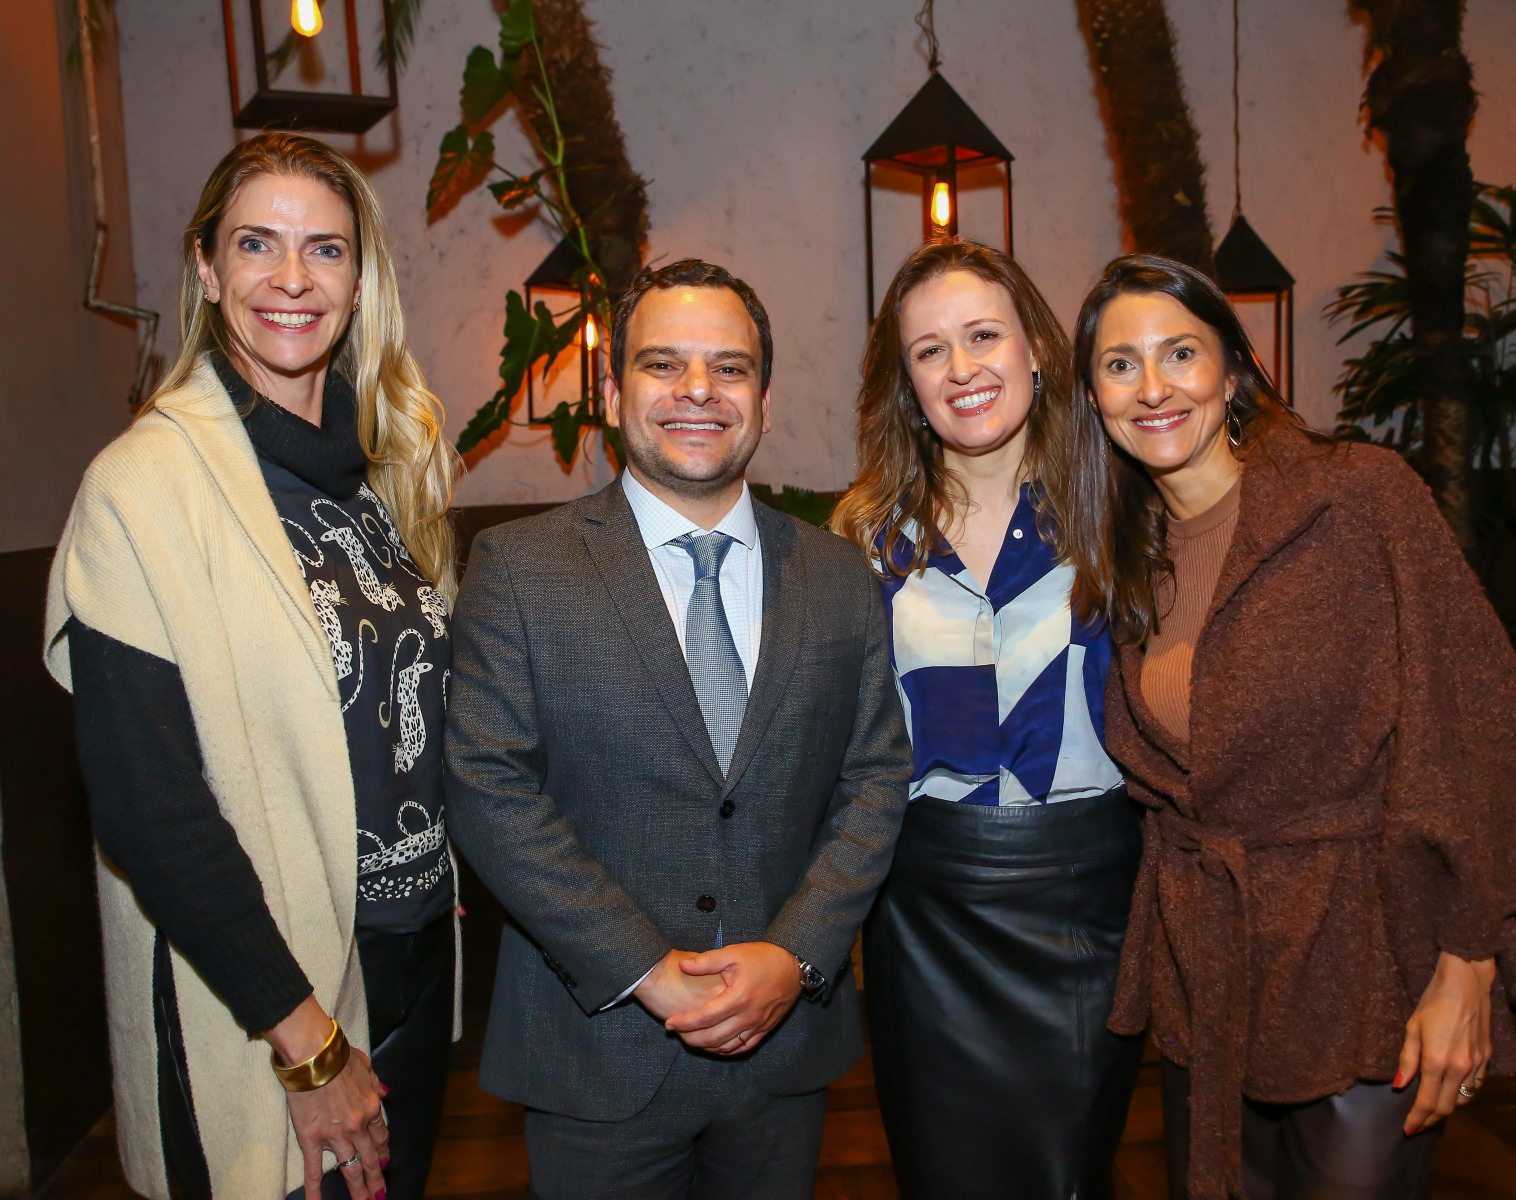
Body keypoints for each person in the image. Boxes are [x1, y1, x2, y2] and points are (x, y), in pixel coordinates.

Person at [1072, 254, 1516, 1200]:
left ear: (1233, 369)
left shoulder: (1357, 497)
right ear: (1093, 397)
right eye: (1121, 364)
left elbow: (1474, 730)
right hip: (1214, 979)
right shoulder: (1125, 563)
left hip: (1367, 965)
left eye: (1180, 353)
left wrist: (1469, 963)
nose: (1152, 387)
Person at [43, 133, 463, 1200]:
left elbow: (398, 709)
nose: (292, 278)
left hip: (408, 955)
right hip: (276, 1001)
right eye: (255, 244)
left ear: (359, 281)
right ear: (205, 267)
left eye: (325, 249)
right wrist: (307, 1045)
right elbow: (149, 808)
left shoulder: (388, 466)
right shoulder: (143, 489)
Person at [444, 258, 911, 1199]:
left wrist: (796, 954)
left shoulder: (838, 577)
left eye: (729, 368)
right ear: (614, 392)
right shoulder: (519, 569)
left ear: (764, 402)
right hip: (598, 1049)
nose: (698, 389)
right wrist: (644, 969)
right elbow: (489, 789)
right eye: (663, 364)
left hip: (783, 1053)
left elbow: (875, 778)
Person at [833, 239, 1145, 1200]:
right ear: (907, 382)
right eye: (930, 351)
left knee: (1067, 1174)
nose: (961, 368)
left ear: (1036, 349)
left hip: (1084, 899)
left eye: (982, 336)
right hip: (924, 907)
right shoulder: (866, 534)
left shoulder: (1122, 506)